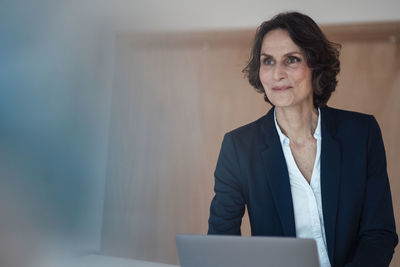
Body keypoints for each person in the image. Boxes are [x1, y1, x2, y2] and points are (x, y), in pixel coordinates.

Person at [207, 12, 398, 267]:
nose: (277, 75)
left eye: (292, 60)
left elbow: (379, 234)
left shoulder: (362, 133)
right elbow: (221, 243)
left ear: (315, 65)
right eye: (268, 61)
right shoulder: (239, 147)